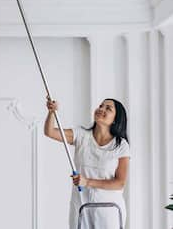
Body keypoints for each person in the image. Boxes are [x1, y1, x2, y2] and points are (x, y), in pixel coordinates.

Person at [44, 98, 130, 229]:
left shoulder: (121, 145)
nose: (101, 109)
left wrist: (87, 182)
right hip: (81, 206)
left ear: (116, 119)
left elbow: (120, 183)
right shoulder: (81, 135)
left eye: (108, 108)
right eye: (101, 106)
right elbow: (49, 132)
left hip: (109, 211)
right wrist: (51, 112)